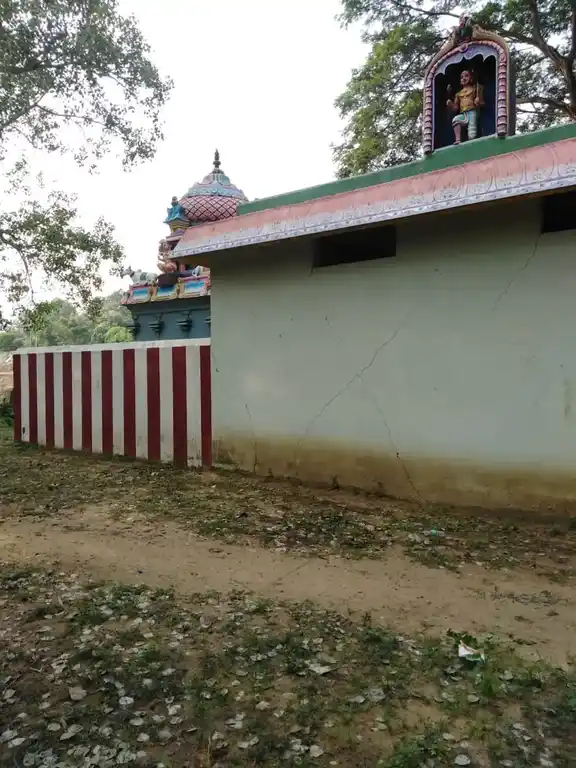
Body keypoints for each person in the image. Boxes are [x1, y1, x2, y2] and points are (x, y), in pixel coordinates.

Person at [446, 69, 484, 144]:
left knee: (472, 130)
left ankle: (472, 142)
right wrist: (451, 105)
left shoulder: (475, 89)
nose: (464, 78)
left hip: (472, 111)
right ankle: (458, 140)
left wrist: (478, 102)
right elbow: (456, 108)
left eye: (466, 76)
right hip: (463, 113)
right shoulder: (458, 94)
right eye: (462, 77)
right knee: (455, 120)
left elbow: (482, 103)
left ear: (471, 78)